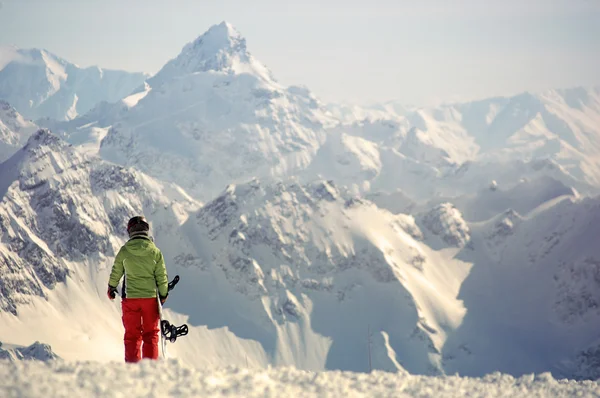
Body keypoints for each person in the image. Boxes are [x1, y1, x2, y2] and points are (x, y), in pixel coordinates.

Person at [107, 216, 169, 362]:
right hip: (150, 300)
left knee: (132, 336)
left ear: (130, 231)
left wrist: (111, 288)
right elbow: (162, 276)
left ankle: (133, 371)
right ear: (146, 230)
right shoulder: (155, 252)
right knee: (151, 335)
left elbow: (116, 271)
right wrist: (163, 294)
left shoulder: (124, 251)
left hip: (130, 299)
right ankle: (150, 369)